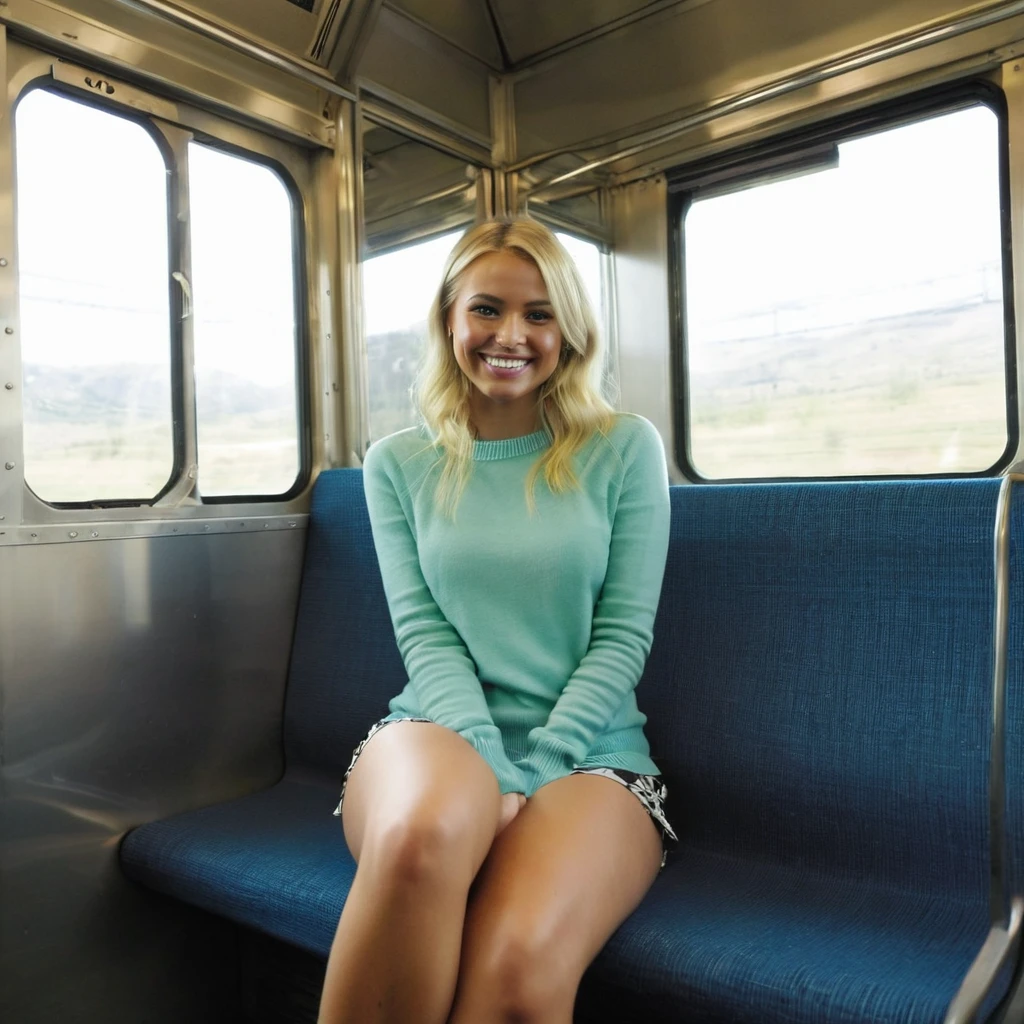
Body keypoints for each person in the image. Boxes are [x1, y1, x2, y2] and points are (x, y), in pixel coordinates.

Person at [317, 217, 675, 1024]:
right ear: (450, 319)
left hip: (593, 755)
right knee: (420, 837)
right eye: (487, 309)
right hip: (438, 731)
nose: (510, 335)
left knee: (515, 971)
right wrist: (489, 769)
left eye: (539, 314)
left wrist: (536, 770)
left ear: (569, 333)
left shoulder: (623, 449)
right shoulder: (398, 464)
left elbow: (623, 637)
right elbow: (425, 634)